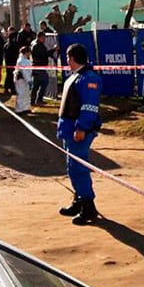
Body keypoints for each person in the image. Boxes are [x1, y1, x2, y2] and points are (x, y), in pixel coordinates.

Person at [57, 43, 102, 226]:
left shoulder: (89, 79)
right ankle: (79, 200)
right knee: (72, 168)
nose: (66, 61)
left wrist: (82, 128)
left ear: (73, 58)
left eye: (68, 57)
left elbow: (89, 107)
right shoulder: (75, 77)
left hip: (79, 131)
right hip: (69, 130)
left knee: (79, 168)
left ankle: (88, 206)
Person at [30, 31, 57, 106]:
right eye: (43, 38)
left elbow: (45, 54)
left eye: (44, 38)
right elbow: (44, 55)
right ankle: (34, 100)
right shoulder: (36, 46)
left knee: (44, 83)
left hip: (41, 68)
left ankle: (38, 99)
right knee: (37, 85)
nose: (44, 39)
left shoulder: (41, 45)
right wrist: (53, 50)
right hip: (38, 68)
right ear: (39, 37)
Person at [13, 46, 32, 114]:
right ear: (26, 52)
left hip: (25, 80)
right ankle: (18, 109)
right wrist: (29, 80)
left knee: (26, 94)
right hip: (20, 80)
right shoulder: (22, 60)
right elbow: (25, 72)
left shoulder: (26, 60)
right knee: (21, 94)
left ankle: (25, 108)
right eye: (29, 52)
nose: (30, 54)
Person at [2, 28, 19, 96]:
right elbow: (15, 54)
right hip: (13, 62)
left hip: (7, 62)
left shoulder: (6, 45)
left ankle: (6, 88)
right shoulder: (13, 45)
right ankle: (12, 89)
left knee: (8, 75)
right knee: (11, 75)